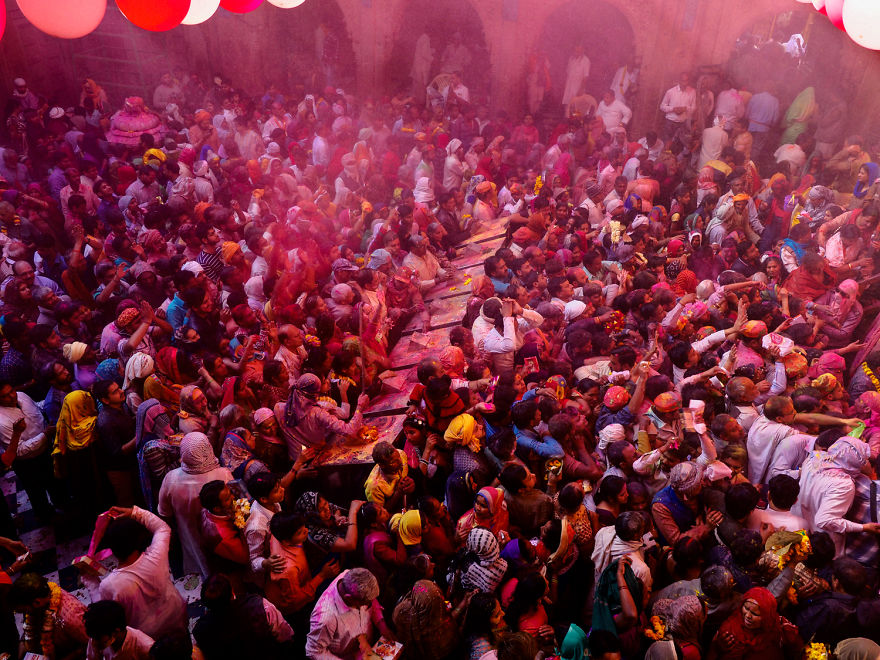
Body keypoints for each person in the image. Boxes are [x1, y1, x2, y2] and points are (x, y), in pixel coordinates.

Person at [157, 432, 233, 576]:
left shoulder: (171, 478)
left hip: (189, 542)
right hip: (222, 542)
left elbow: (164, 514)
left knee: (198, 578)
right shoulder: (223, 475)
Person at [306, 568, 380, 659]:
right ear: (348, 598)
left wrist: (381, 623)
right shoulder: (325, 618)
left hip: (366, 646)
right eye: (364, 604)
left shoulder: (350, 577)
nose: (369, 606)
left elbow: (371, 600)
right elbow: (313, 651)